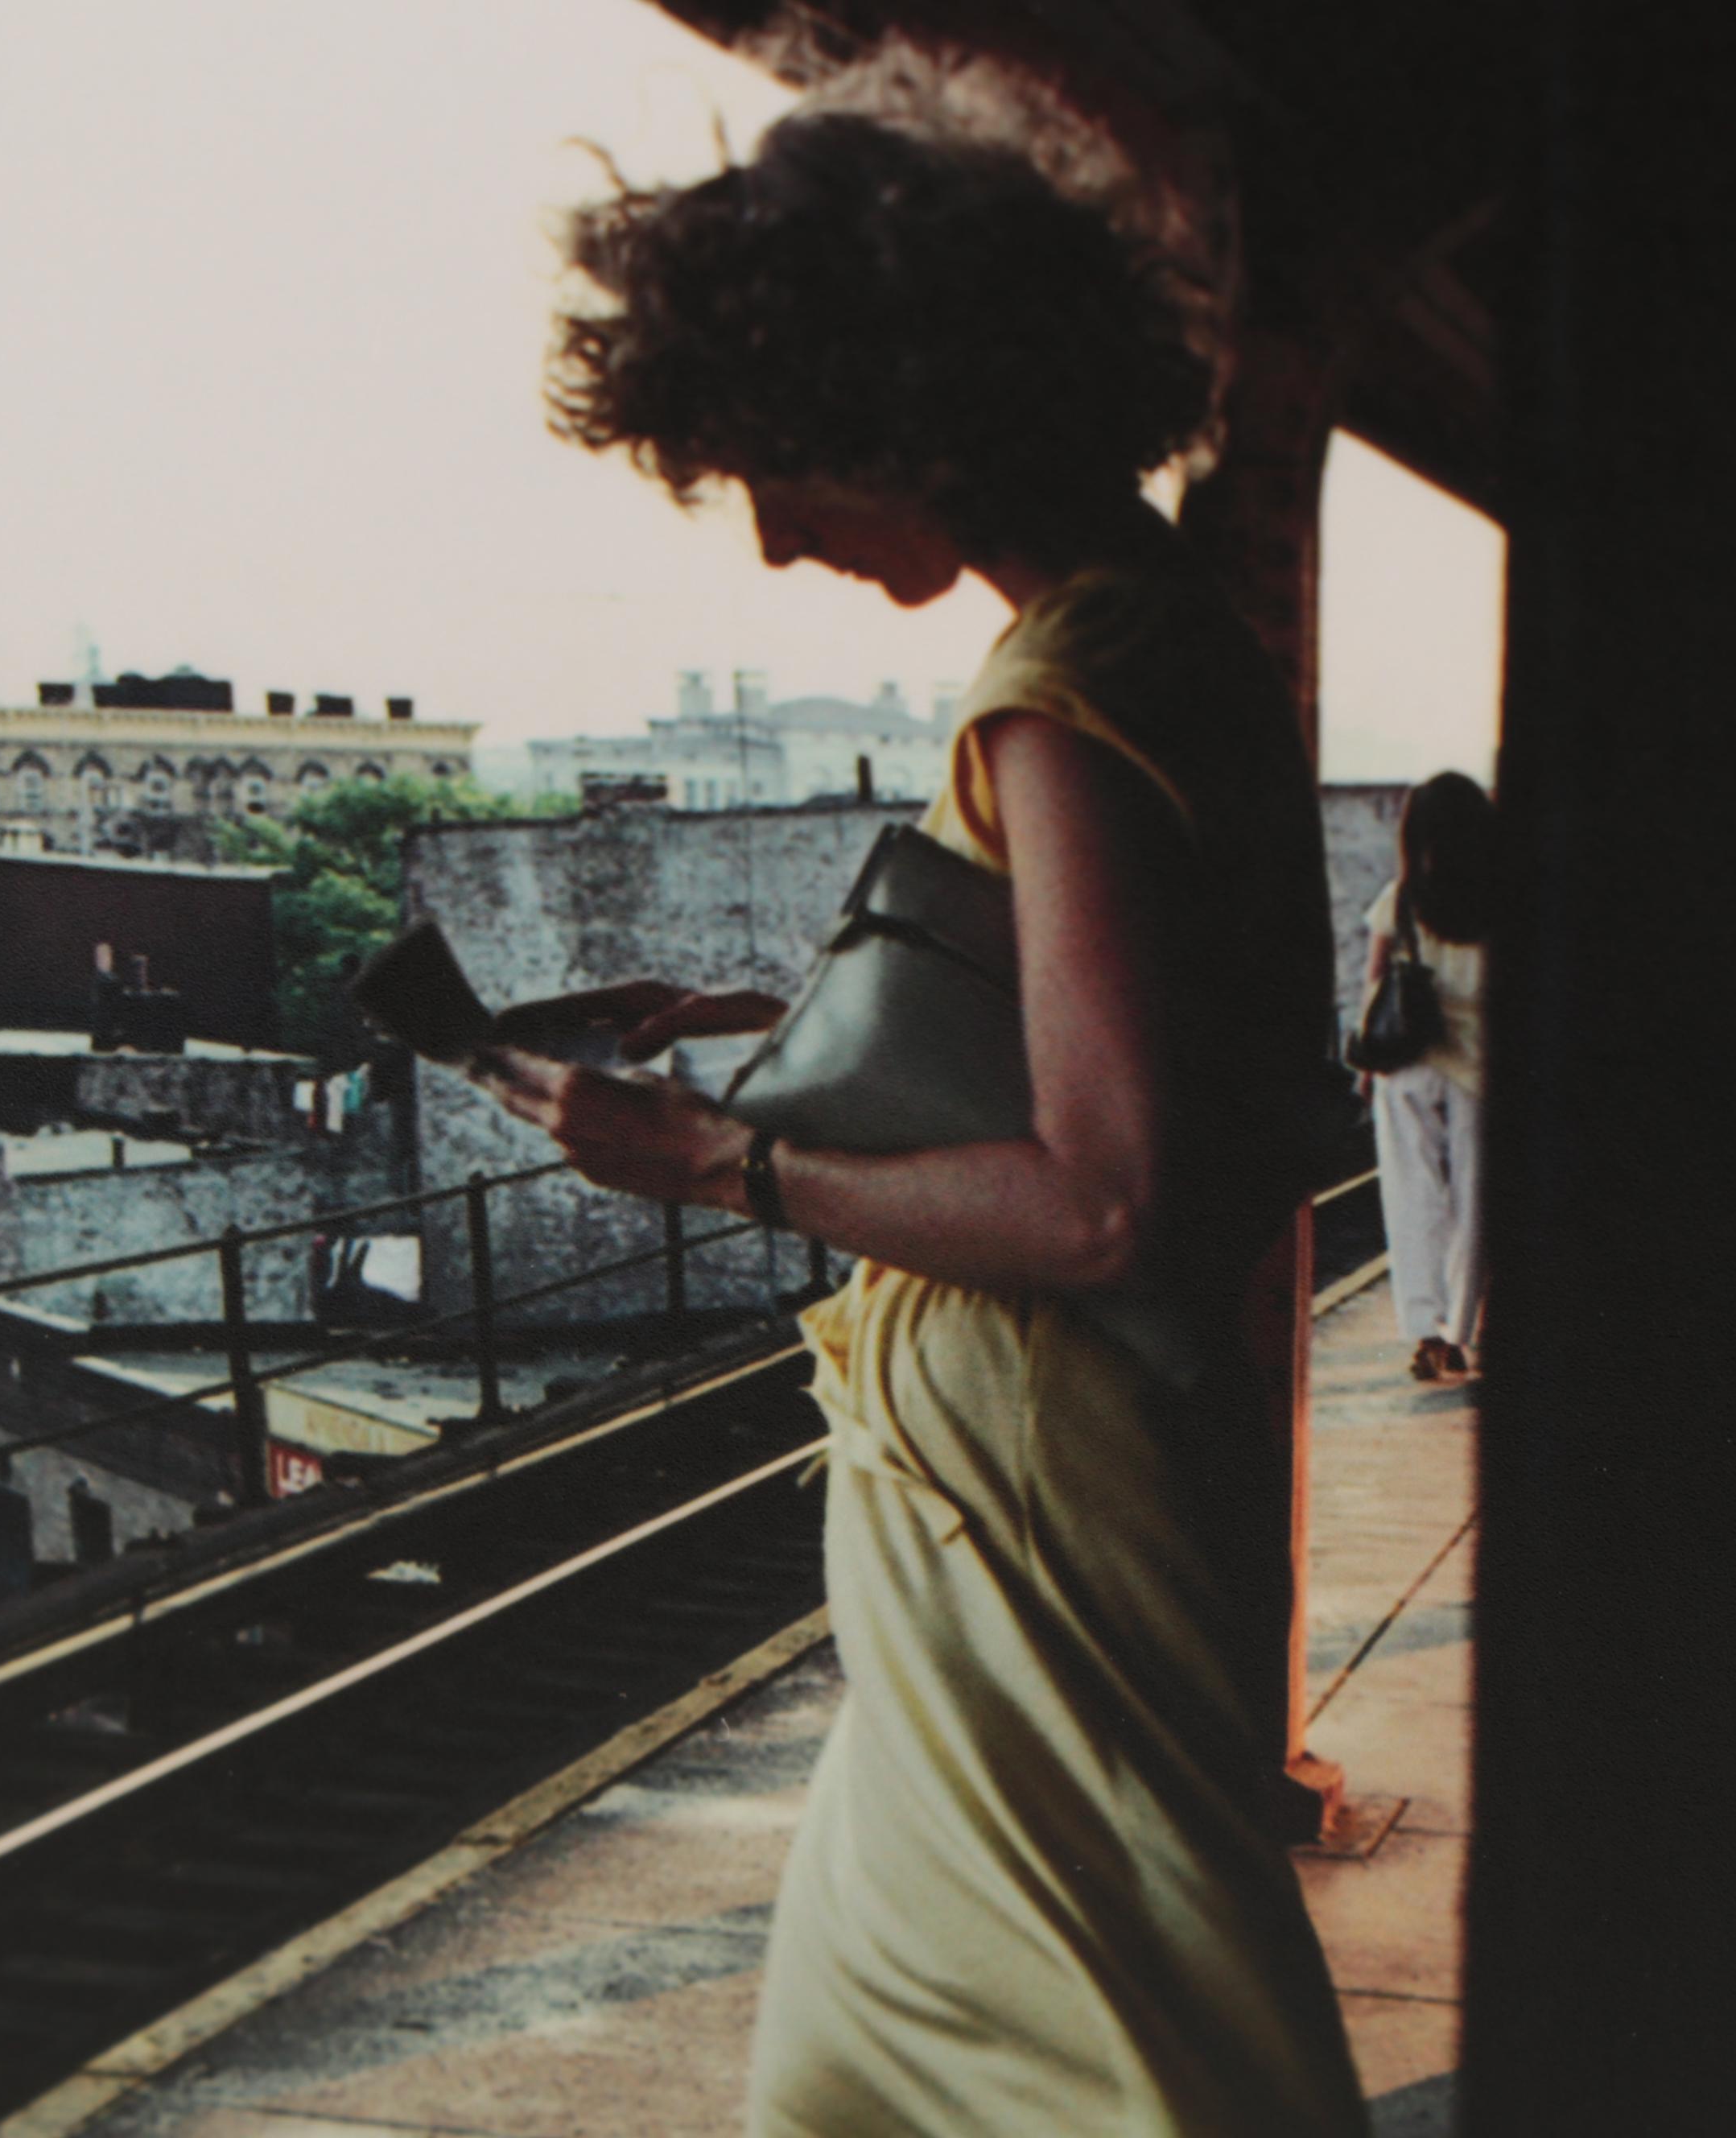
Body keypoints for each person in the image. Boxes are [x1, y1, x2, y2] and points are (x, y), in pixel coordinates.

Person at [489, 95, 1367, 2138]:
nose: (778, 533)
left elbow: (1096, 1200)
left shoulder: (1056, 687)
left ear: (897, 412)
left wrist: (705, 1153)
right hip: (1057, 1479)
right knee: (915, 2038)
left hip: (1033, 1478)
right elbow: (1128, 1032)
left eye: (771, 468)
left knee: (1077, 2035)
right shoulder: (1164, 641)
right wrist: (787, 1008)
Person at [1358, 772, 1493, 1380]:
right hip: (1478, 1072)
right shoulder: (1504, 902)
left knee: (1412, 1198)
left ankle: (1422, 1330)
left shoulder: (1402, 897)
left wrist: (1366, 1067)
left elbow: (1374, 981)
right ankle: (1458, 1333)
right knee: (1473, 1206)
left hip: (1408, 1065)